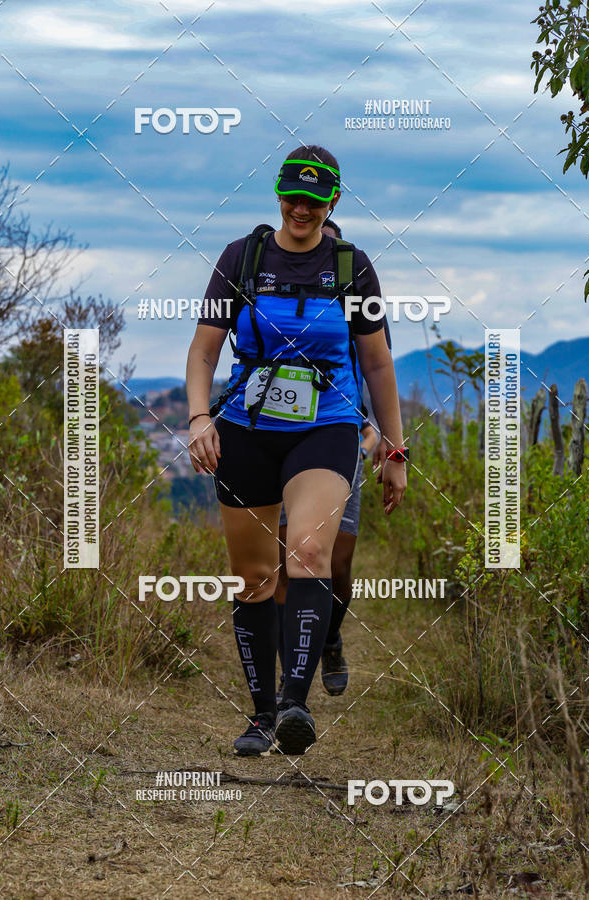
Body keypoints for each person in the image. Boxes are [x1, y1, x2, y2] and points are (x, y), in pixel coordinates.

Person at [186, 145, 407, 757]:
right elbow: (203, 350)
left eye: (315, 198)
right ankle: (260, 714)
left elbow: (379, 363)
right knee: (255, 576)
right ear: (278, 195)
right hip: (247, 428)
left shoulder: (352, 267)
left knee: (309, 550)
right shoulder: (242, 258)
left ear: (333, 200)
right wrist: (201, 417)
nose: (302, 207)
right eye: (293, 196)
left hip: (327, 426)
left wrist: (393, 451)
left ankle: (294, 705)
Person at [274, 217, 382, 700]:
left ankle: (331, 634)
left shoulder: (356, 295)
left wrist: (378, 435)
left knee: (336, 564)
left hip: (343, 437)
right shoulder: (279, 295)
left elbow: (379, 370)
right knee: (288, 560)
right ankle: (288, 680)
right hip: (280, 438)